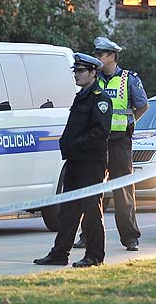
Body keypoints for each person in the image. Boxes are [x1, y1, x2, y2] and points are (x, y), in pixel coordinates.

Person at [34, 53, 112, 268]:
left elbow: (100, 132)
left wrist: (76, 144)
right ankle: (60, 253)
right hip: (75, 161)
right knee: (68, 211)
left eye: (81, 71)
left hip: (91, 163)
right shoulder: (81, 96)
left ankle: (94, 256)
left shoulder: (100, 98)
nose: (76, 75)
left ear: (93, 73)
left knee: (91, 210)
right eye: (75, 71)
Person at [74, 36, 147, 252]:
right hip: (97, 142)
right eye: (95, 53)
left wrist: (130, 124)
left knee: (123, 191)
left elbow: (143, 105)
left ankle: (130, 237)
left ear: (112, 56)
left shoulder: (128, 79)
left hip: (119, 142)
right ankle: (87, 235)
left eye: (100, 54)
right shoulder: (94, 79)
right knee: (92, 190)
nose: (96, 57)